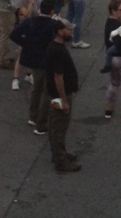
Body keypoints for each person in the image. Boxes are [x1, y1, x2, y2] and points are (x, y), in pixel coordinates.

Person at [10, 0, 59, 134]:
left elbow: (14, 34)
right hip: (47, 60)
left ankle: (33, 116)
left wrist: (26, 44)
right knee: (47, 91)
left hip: (33, 59)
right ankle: (41, 120)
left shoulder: (30, 22)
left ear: (39, 10)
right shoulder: (52, 24)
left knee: (36, 88)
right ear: (51, 12)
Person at [46, 19, 81, 172]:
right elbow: (58, 76)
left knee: (56, 126)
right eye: (68, 30)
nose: (71, 32)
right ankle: (61, 160)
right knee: (59, 127)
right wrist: (64, 100)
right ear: (60, 31)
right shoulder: (58, 50)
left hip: (56, 94)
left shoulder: (55, 47)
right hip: (60, 94)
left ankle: (59, 153)